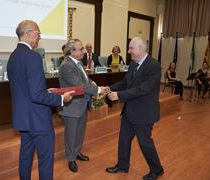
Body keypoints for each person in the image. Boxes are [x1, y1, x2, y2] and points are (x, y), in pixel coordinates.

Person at [7, 20, 74, 180]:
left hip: (24, 119)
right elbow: (36, 95)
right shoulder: (33, 57)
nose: (39, 37)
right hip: (38, 120)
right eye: (38, 34)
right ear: (29, 34)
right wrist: (61, 99)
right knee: (45, 161)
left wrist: (46, 91)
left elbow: (26, 90)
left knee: (25, 157)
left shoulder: (13, 57)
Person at [104, 37, 164, 180]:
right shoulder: (133, 64)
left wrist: (118, 95)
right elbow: (125, 82)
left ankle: (157, 169)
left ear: (141, 49)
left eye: (131, 48)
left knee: (145, 143)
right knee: (123, 140)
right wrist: (109, 88)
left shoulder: (153, 66)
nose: (129, 51)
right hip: (129, 111)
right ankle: (122, 165)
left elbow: (142, 89)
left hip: (144, 113)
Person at [58, 39, 105, 173]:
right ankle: (70, 158)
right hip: (72, 106)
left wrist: (93, 82)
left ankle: (77, 152)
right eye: (81, 49)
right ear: (71, 51)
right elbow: (80, 86)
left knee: (79, 131)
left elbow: (86, 80)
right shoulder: (66, 65)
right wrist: (99, 90)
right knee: (71, 134)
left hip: (82, 103)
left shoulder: (78, 63)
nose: (84, 51)